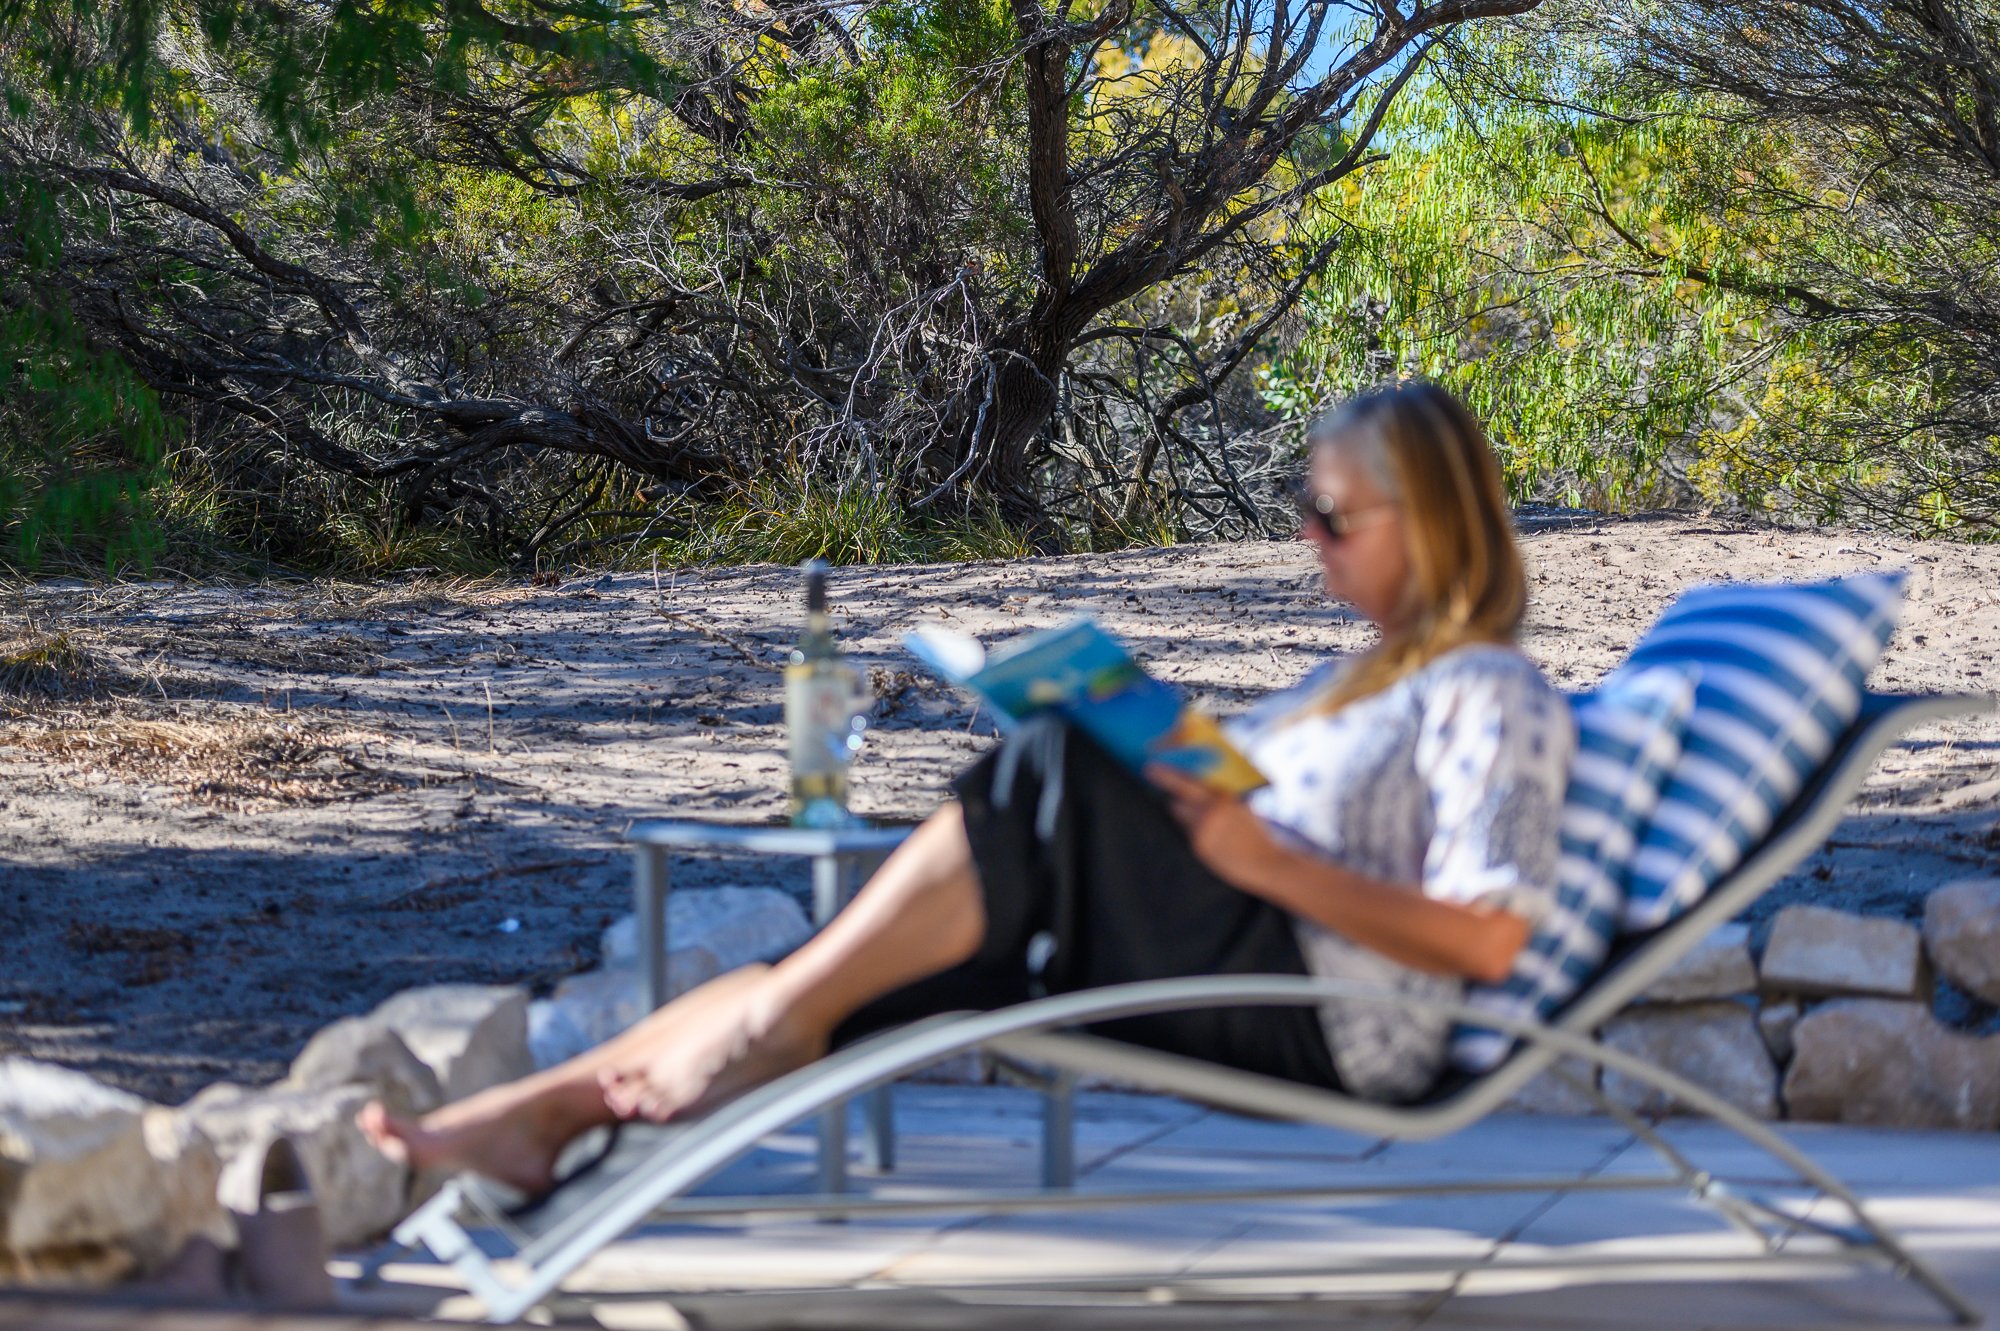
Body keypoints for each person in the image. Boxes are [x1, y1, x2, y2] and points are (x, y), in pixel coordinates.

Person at [359, 382, 1574, 1196]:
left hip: (1317, 1014)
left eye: (1330, 512)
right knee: (846, 975)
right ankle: (552, 1112)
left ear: (1426, 517)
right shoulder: (1352, 676)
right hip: (1217, 944)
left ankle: (750, 1034)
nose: (1306, 533)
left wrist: (1262, 860)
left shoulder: (1487, 692)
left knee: (1055, 766)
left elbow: (1487, 931)